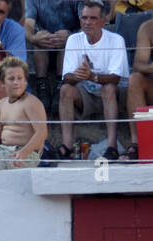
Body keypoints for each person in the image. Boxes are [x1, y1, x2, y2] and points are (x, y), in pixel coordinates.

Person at [58, 1, 130, 162]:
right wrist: (78, 75)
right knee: (65, 90)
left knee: (108, 89)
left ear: (104, 21)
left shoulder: (116, 40)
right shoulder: (74, 40)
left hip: (116, 95)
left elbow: (116, 78)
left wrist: (91, 76)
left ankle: (112, 146)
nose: (87, 22)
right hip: (88, 94)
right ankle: (66, 146)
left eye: (93, 18)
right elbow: (66, 77)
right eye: (84, 18)